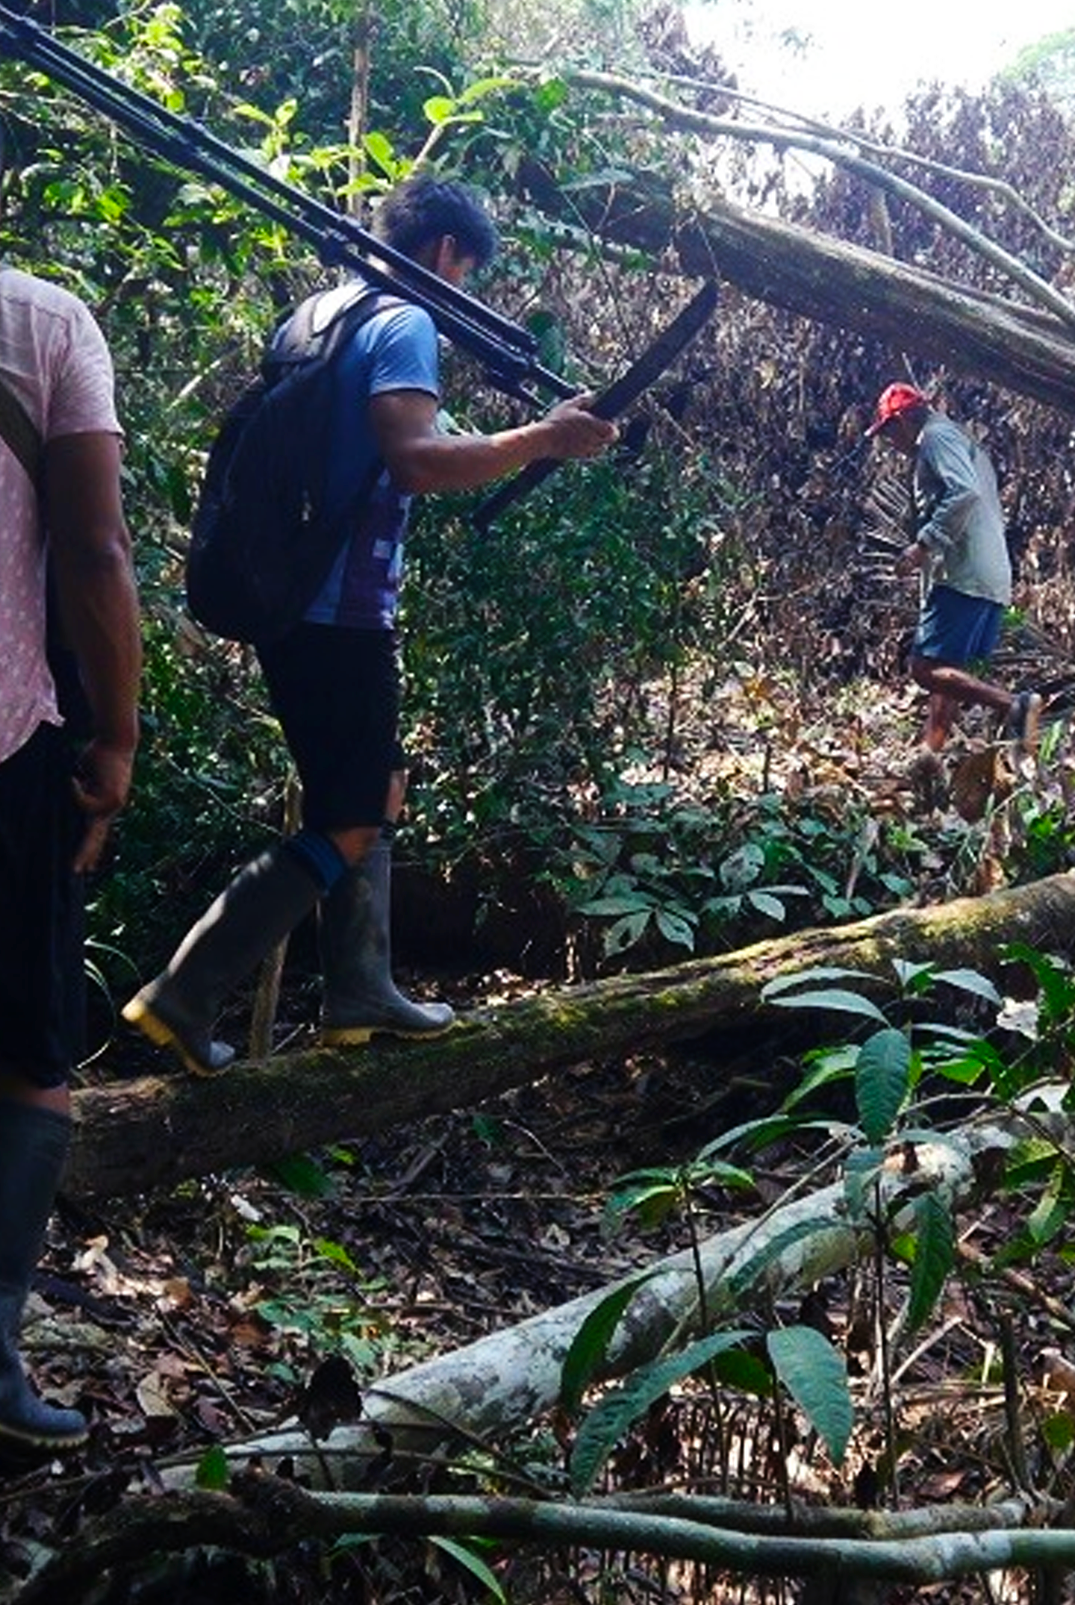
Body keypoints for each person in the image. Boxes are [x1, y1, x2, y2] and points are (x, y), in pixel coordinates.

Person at [123, 176, 618, 1077]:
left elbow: (393, 444)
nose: (465, 290)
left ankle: (360, 990)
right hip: (340, 613)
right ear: (447, 256)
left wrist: (536, 428)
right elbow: (418, 459)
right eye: (469, 272)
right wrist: (543, 442)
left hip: (287, 600)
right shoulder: (406, 322)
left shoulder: (318, 316)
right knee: (352, 815)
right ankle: (187, 989)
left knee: (371, 787)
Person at [0, 258, 142, 1453]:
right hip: (6, 744)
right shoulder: (42, 320)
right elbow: (93, 551)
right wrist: (118, 735)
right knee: (30, 1050)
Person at [865, 380, 1041, 761]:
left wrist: (923, 545)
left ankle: (1014, 705)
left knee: (924, 668)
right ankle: (928, 757)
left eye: (888, 433)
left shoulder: (935, 439)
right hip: (988, 573)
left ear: (903, 422)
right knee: (947, 670)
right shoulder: (961, 441)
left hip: (962, 573)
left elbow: (964, 493)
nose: (889, 443)